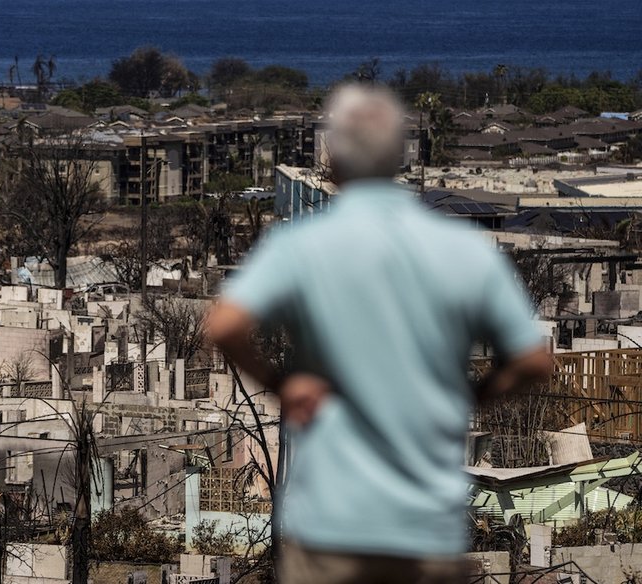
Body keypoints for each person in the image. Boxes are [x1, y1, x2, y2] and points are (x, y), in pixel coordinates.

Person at [205, 84, 552, 584]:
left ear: (334, 161)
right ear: (399, 158)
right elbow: (534, 361)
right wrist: (473, 396)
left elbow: (224, 324)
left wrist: (283, 386)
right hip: (425, 529)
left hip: (327, 525)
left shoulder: (301, 243)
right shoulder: (464, 250)